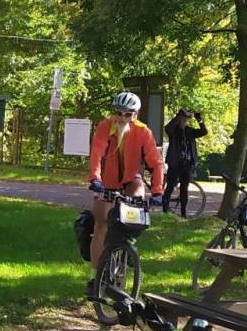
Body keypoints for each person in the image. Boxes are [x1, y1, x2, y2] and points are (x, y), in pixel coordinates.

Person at [86, 92, 165, 282]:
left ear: (135, 115)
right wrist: (95, 179)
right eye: (118, 113)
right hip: (107, 182)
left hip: (131, 179)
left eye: (128, 114)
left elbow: (156, 163)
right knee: (101, 225)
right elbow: (96, 153)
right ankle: (95, 276)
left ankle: (128, 246)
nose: (122, 118)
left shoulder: (143, 132)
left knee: (138, 199)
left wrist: (157, 191)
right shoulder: (105, 127)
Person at [163, 108, 208, 218]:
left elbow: (204, 131)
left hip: (187, 165)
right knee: (170, 186)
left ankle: (183, 213)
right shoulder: (173, 131)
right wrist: (179, 115)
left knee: (184, 189)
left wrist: (199, 118)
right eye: (183, 120)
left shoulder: (190, 131)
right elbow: (167, 128)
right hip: (175, 164)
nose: (184, 122)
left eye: (186, 120)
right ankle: (165, 210)